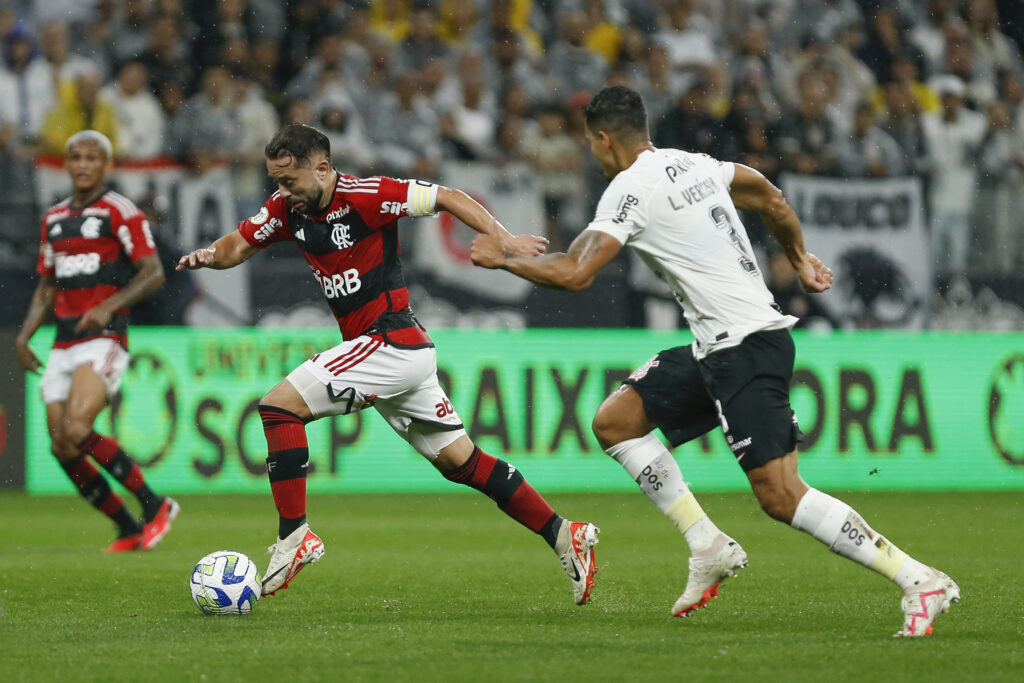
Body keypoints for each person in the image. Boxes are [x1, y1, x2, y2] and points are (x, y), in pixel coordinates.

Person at [471, 86, 959, 637]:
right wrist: (797, 257)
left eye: (591, 144)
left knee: (780, 495)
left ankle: (919, 579)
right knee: (616, 421)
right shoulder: (691, 163)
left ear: (604, 139)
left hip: (745, 347)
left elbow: (576, 274)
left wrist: (503, 258)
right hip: (717, 346)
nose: (593, 154)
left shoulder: (628, 189)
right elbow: (768, 195)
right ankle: (706, 544)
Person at [176, 123, 600, 603]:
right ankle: (565, 533)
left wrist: (501, 239)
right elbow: (238, 244)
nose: (283, 192)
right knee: (463, 463)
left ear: (322, 167)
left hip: (391, 343)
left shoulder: (368, 196)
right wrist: (210, 255)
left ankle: (295, 537)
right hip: (394, 356)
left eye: (289, 181)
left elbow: (447, 196)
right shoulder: (286, 208)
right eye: (276, 181)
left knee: (278, 408)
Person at [15, 130, 179, 553]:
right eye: (76, 157)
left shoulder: (119, 212)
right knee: (61, 445)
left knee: (77, 427)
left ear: (106, 166)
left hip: (103, 339)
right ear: (67, 165)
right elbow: (47, 286)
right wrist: (25, 335)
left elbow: (154, 273)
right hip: (63, 342)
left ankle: (156, 505)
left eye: (92, 158)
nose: (83, 164)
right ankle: (126, 526)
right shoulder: (53, 219)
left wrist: (110, 306)